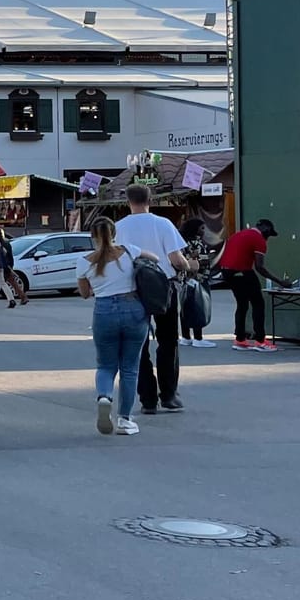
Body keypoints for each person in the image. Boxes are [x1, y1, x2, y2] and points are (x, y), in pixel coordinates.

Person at [113, 184, 194, 415]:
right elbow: (176, 259)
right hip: (163, 287)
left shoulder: (119, 228)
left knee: (139, 345)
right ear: (151, 199)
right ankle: (169, 395)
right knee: (168, 341)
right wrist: (188, 267)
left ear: (127, 201)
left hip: (132, 288)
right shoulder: (163, 224)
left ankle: (147, 399)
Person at [77, 217, 162, 436]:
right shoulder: (128, 250)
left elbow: (85, 294)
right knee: (130, 368)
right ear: (114, 233)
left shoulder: (84, 261)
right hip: (133, 308)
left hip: (104, 311)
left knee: (105, 365)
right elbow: (154, 258)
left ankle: (105, 396)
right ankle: (125, 420)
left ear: (92, 236)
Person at [215, 218, 293, 351]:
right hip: (242, 271)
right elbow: (260, 267)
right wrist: (280, 281)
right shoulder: (258, 239)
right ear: (266, 229)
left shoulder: (238, 235)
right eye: (269, 234)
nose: (268, 238)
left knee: (242, 304)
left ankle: (240, 339)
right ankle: (260, 341)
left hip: (227, 271)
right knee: (258, 303)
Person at [177, 217, 215, 348]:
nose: (204, 231)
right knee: (199, 307)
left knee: (185, 307)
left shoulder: (182, 241)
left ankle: (186, 336)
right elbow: (200, 260)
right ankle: (198, 338)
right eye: (202, 228)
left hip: (185, 280)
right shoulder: (196, 243)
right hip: (198, 279)